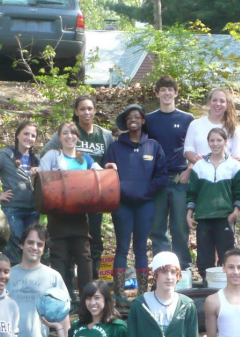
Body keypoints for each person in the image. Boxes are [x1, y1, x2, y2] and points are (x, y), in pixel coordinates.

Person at [43, 95, 113, 279]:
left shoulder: (104, 136)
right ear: (76, 111)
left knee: (92, 241)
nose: (86, 112)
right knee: (62, 248)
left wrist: (109, 171)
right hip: (64, 202)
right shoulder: (61, 140)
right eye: (82, 109)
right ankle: (66, 287)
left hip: (92, 197)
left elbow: (105, 163)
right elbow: (45, 160)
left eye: (90, 108)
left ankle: (95, 281)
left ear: (95, 110)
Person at [104, 104, 168, 295]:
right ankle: (119, 294)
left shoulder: (153, 146)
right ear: (125, 122)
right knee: (122, 247)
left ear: (142, 120)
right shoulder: (115, 147)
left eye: (136, 116)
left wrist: (146, 191)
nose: (133, 120)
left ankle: (142, 292)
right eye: (129, 117)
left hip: (145, 204)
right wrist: (121, 190)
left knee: (141, 248)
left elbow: (162, 175)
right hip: (122, 205)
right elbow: (107, 176)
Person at [39, 122, 102, 306]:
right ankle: (62, 300)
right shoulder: (52, 155)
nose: (69, 137)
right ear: (59, 137)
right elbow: (41, 182)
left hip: (80, 215)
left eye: (73, 133)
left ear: (77, 137)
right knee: (59, 257)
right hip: (58, 215)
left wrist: (111, 167)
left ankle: (86, 300)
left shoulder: (85, 158)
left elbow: (99, 175)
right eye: (65, 133)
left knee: (84, 257)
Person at [6, 223, 70, 337]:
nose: (34, 247)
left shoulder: (53, 277)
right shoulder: (7, 275)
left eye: (39, 244)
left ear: (44, 249)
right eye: (30, 242)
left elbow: (64, 315)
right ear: (21, 244)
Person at [145, 76, 196, 272]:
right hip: (157, 181)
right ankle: (162, 268)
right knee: (157, 229)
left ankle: (184, 269)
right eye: (163, 89)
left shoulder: (187, 119)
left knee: (181, 228)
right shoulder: (149, 120)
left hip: (179, 181)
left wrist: (189, 169)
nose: (167, 93)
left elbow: (195, 148)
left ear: (176, 92)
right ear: (157, 93)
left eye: (170, 89)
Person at [186, 127, 240, 283]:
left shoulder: (234, 166)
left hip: (225, 218)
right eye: (212, 140)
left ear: (225, 142)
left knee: (227, 255)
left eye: (219, 140)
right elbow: (192, 192)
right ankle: (207, 285)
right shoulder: (199, 166)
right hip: (203, 218)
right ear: (208, 143)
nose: (215, 144)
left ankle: (227, 285)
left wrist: (235, 211)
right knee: (204, 256)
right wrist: (189, 214)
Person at [0, 120, 40, 262]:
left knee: (32, 247)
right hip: (13, 210)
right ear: (17, 135)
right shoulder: (6, 156)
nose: (29, 138)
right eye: (26, 134)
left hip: (33, 210)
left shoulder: (36, 160)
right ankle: (12, 280)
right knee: (16, 248)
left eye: (33, 135)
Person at [184, 87, 240, 164]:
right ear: (209, 101)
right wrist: (200, 162)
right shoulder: (195, 124)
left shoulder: (234, 128)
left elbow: (239, 157)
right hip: (200, 172)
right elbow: (188, 149)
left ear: (227, 105)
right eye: (214, 100)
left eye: (222, 101)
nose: (218, 104)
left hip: (225, 173)